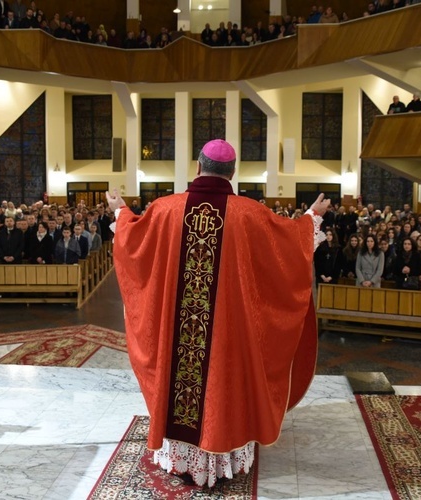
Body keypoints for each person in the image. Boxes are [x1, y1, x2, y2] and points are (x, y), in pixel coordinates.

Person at [106, 139, 326, 488]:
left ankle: (181, 454)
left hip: (180, 338)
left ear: (197, 166)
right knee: (221, 382)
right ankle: (222, 448)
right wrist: (311, 219)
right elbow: (286, 251)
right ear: (233, 172)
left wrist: (120, 211)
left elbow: (133, 243)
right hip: (227, 331)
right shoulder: (250, 214)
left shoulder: (165, 209)